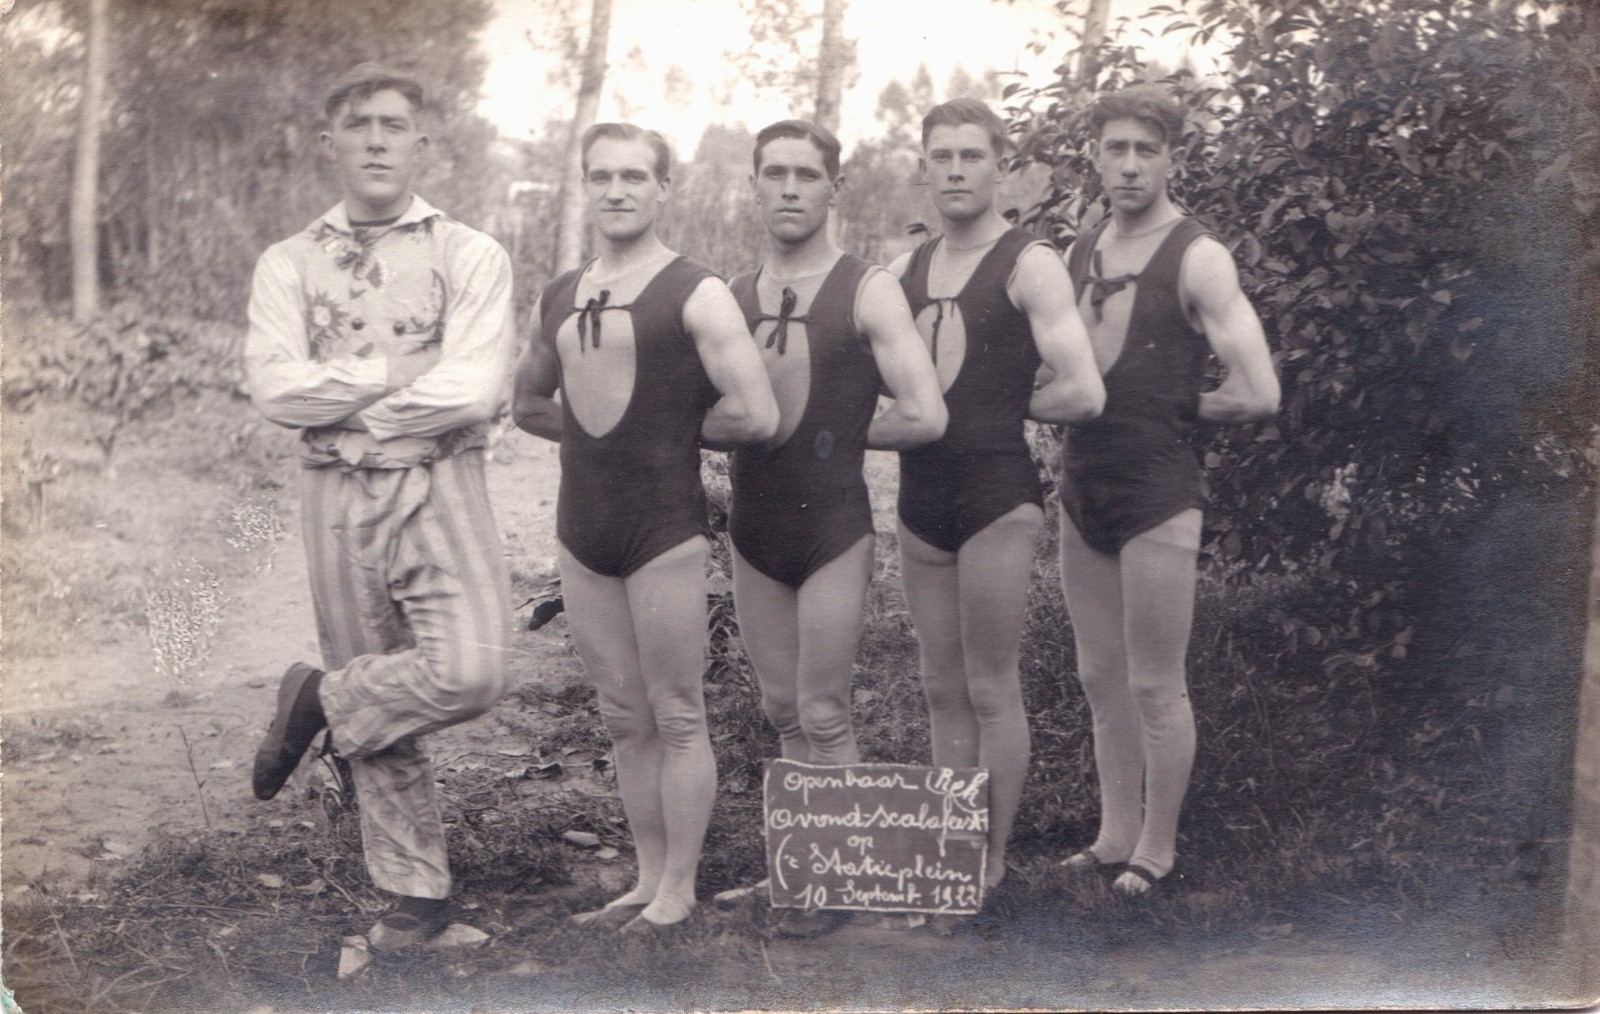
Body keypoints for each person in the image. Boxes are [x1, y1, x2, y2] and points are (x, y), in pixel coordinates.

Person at [245, 63, 517, 948]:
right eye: (357, 124)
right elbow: (276, 389)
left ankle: (320, 698)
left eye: (393, 125)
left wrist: (361, 418)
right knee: (380, 686)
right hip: (335, 497)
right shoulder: (287, 264)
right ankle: (412, 898)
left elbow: (474, 389)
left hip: (441, 480)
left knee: (471, 669)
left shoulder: (471, 254)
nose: (373, 139)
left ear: (421, 144)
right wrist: (398, 374)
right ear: (330, 144)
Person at [511, 123, 779, 931]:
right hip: (581, 529)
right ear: (586, 187)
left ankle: (680, 888)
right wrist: (603, 439)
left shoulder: (696, 289)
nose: (618, 190)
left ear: (666, 189)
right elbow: (527, 403)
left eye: (635, 175)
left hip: (663, 527)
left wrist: (666, 434)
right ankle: (644, 878)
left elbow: (756, 411)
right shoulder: (559, 292)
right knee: (622, 716)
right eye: (602, 176)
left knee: (675, 710)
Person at [716, 121, 948, 930]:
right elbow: (694, 409)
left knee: (823, 710)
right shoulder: (733, 294)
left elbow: (924, 412)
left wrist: (837, 428)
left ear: (833, 189)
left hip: (833, 527)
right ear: (752, 185)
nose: (788, 188)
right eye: (773, 173)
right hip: (755, 525)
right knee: (781, 710)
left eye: (806, 175)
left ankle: (835, 884)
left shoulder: (868, 287)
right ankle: (801, 869)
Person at [1054, 85, 1279, 896]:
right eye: (1114, 148)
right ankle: (1113, 835)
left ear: (1172, 158)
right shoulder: (1080, 249)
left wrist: (1178, 407)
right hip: (1083, 489)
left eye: (1146, 150)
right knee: (1097, 675)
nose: (1128, 164)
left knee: (1154, 680)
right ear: (1093, 156)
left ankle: (1157, 847)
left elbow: (1259, 390)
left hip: (1157, 492)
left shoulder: (1197, 256)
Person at [890, 99, 1105, 892]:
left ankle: (992, 861)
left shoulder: (1029, 261)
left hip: (995, 497)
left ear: (1000, 166)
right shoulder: (905, 271)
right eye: (940, 155)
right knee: (941, 686)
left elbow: (1082, 390)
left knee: (989, 684)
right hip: (921, 503)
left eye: (970, 156)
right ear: (923, 166)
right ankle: (952, 848)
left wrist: (1003, 402)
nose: (954, 169)